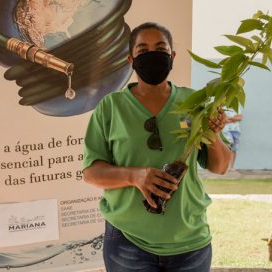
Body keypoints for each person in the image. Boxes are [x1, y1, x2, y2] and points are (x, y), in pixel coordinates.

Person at [82, 22, 231, 272]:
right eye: (143, 50)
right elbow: (91, 173)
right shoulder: (111, 107)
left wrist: (213, 134)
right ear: (131, 59)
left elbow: (221, 166)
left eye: (160, 48)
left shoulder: (193, 102)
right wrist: (135, 176)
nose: (152, 54)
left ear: (172, 56)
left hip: (190, 242)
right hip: (128, 243)